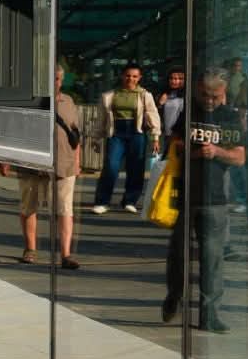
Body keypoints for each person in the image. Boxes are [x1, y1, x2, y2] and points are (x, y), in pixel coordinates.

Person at [162, 69, 246, 333]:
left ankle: (209, 315)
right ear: (198, 90)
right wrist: (191, 150)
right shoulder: (189, 112)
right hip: (184, 195)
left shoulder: (230, 117)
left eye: (215, 96)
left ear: (224, 93)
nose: (209, 100)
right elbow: (173, 144)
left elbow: (240, 157)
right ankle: (175, 294)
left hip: (215, 200)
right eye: (205, 95)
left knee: (212, 260)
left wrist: (217, 151)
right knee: (178, 255)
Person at [17, 65, 81, 269]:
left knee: (64, 210)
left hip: (63, 163)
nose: (53, 82)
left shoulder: (68, 102)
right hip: (31, 162)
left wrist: (77, 162)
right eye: (48, 79)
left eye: (56, 79)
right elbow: (14, 131)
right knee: (29, 206)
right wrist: (6, 160)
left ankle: (66, 254)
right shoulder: (26, 102)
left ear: (61, 81)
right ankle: (30, 249)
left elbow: (76, 134)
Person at [91, 64, 161, 214]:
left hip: (137, 133)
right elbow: (101, 119)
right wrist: (96, 138)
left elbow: (152, 114)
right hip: (116, 133)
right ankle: (102, 201)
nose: (131, 79)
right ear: (122, 76)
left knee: (136, 167)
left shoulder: (144, 95)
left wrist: (155, 137)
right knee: (111, 166)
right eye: (128, 75)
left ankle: (130, 200)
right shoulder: (110, 95)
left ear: (139, 78)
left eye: (135, 76)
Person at [158, 67, 187, 140]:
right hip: (167, 134)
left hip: (182, 134)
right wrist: (160, 104)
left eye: (180, 79)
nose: (175, 81)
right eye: (172, 78)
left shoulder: (188, 95)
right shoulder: (163, 95)